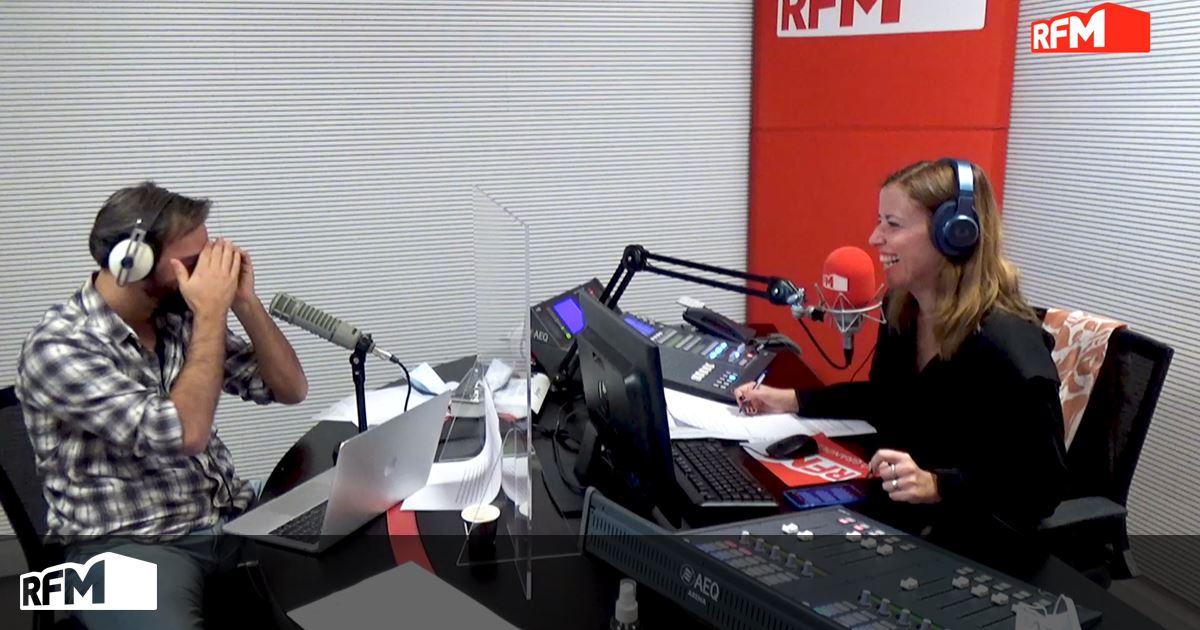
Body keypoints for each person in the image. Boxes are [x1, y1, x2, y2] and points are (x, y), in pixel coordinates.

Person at [735, 159, 1068, 572]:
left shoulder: (1009, 347)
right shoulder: (903, 309)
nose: (875, 238)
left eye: (892, 224)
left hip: (973, 541)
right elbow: (887, 399)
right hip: (902, 515)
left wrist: (938, 484)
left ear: (955, 234)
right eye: (880, 222)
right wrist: (791, 400)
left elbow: (1043, 485)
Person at [15, 181, 308, 629]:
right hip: (121, 545)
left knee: (342, 569)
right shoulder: (58, 347)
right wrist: (210, 314)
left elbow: (289, 388)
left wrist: (244, 302)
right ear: (132, 263)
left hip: (225, 514)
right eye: (193, 262)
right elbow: (183, 434)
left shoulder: (176, 317)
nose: (208, 274)